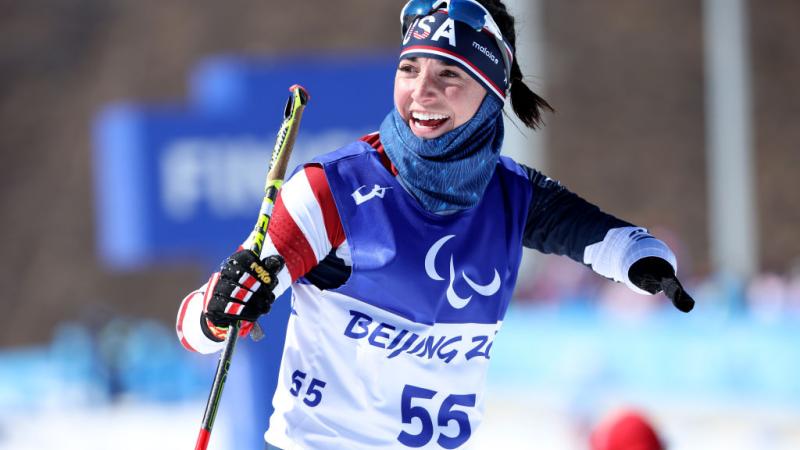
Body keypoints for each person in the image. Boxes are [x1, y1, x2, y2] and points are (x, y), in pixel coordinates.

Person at [175, 0, 695, 448]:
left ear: (490, 92)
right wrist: (218, 310)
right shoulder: (331, 190)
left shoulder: (512, 195)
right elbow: (196, 330)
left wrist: (647, 262)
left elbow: (606, 238)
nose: (421, 92)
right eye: (410, 69)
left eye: (449, 74)